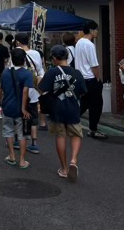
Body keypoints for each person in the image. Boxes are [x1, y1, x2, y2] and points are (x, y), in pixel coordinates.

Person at [39, 45, 87, 182]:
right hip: (73, 108)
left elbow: (42, 90)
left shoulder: (52, 72)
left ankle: (64, 168)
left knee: (60, 136)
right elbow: (83, 91)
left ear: (54, 58)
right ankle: (73, 160)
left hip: (57, 109)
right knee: (76, 134)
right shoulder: (76, 73)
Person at [0, 48, 33, 169]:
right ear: (24, 60)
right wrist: (23, 108)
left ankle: (12, 156)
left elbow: (1, 89)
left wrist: (1, 103)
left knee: (8, 131)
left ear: (12, 59)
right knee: (22, 134)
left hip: (7, 107)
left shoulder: (5, 72)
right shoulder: (27, 74)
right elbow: (25, 91)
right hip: (20, 109)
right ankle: (22, 160)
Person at [74, 20, 108, 139]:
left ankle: (70, 121)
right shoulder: (89, 44)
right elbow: (94, 65)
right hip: (90, 78)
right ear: (92, 30)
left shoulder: (78, 43)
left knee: (84, 103)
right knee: (96, 105)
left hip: (81, 78)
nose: (97, 32)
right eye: (96, 29)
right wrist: (98, 79)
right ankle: (93, 129)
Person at [14, 33, 44, 153]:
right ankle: (34, 143)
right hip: (34, 92)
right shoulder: (36, 53)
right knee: (33, 117)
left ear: (18, 42)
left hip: (20, 91)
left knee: (19, 116)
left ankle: (18, 140)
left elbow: (12, 71)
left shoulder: (16, 53)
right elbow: (40, 71)